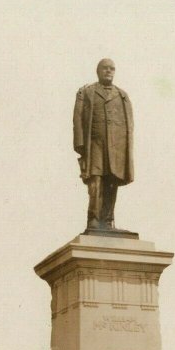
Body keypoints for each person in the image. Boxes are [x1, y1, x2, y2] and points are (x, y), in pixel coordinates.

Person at [73, 59, 134, 231]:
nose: (109, 71)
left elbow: (129, 123)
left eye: (112, 68)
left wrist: (126, 150)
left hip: (116, 146)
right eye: (105, 68)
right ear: (98, 71)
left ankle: (108, 221)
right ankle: (94, 219)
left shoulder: (122, 95)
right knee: (95, 179)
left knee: (112, 180)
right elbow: (78, 118)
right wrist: (80, 144)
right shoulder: (88, 92)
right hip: (95, 143)